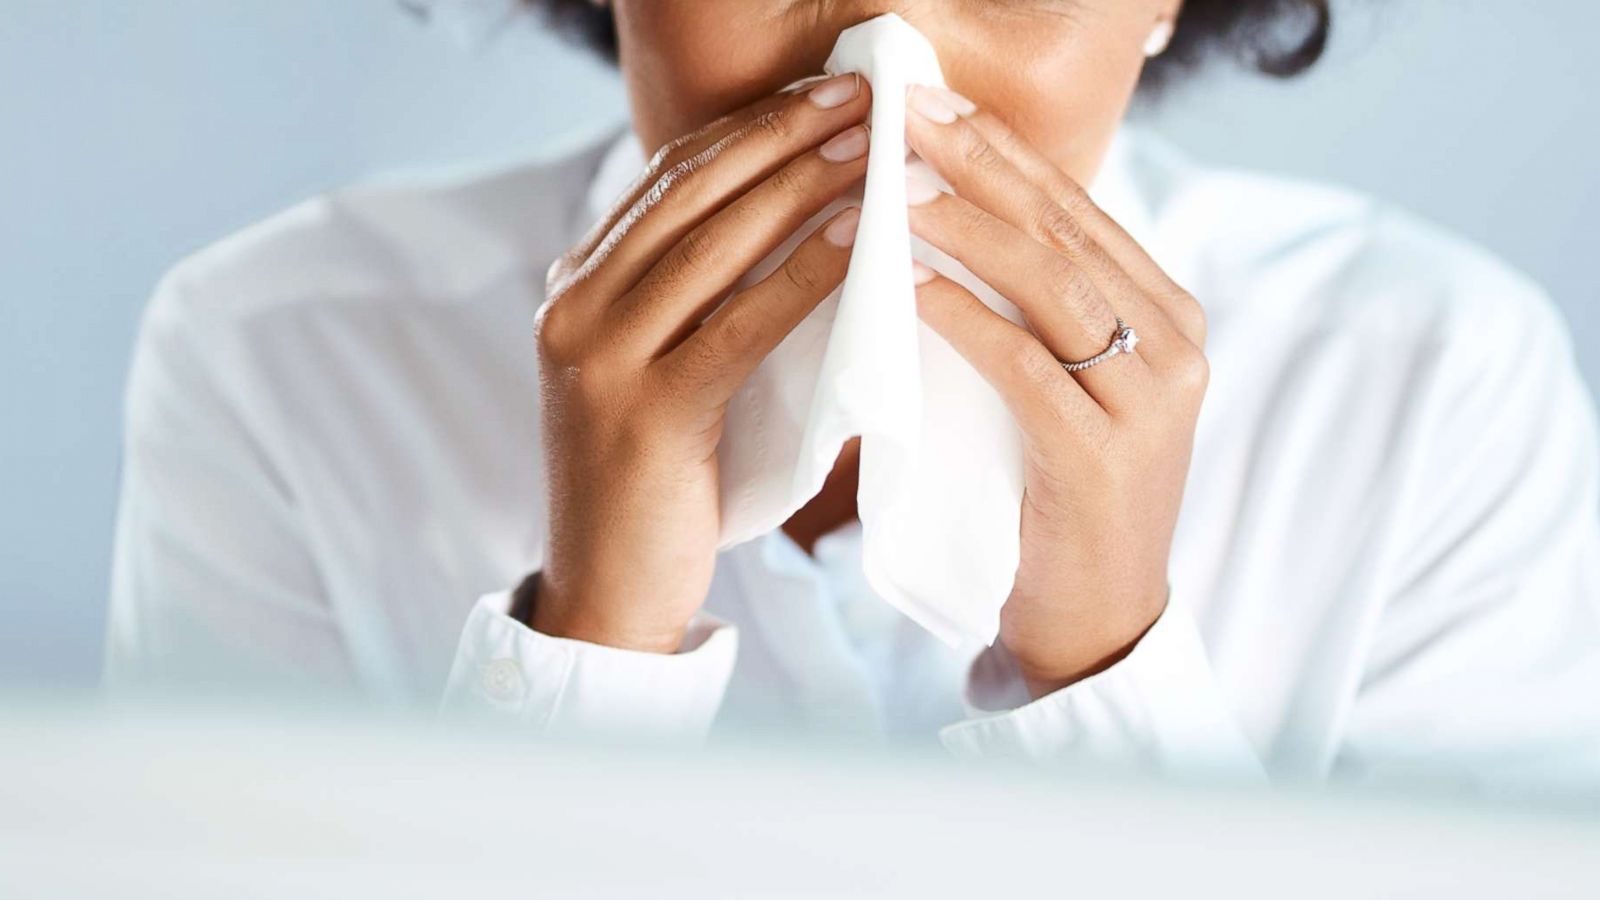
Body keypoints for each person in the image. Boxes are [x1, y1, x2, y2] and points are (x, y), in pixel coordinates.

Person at [107, 0, 1600, 792]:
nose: (886, 61)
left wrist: (1104, 667)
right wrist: (589, 646)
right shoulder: (285, 354)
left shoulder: (1428, 383)